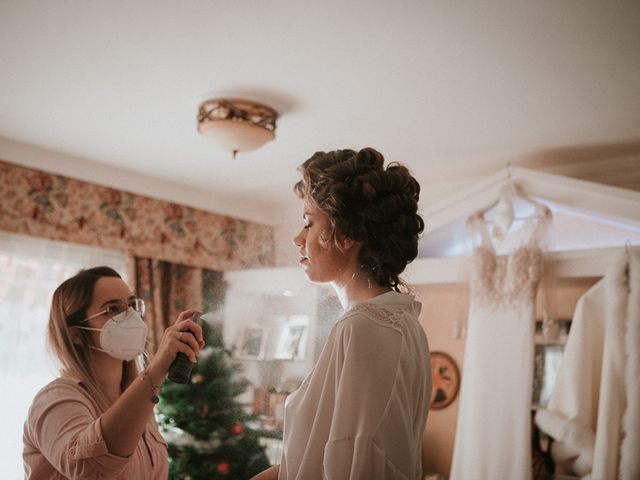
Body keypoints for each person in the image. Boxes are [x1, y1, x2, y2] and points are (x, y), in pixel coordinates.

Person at [252, 147, 431, 480]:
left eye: (308, 223)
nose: (297, 238)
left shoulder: (365, 327)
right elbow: (321, 459)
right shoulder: (400, 323)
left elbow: (360, 463)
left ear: (347, 235)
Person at [23, 266, 204, 479]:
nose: (131, 316)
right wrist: (156, 369)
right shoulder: (55, 400)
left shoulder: (139, 402)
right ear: (76, 335)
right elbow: (90, 469)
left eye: (132, 305)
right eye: (112, 309)